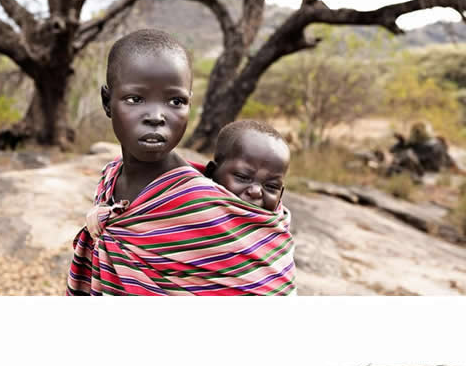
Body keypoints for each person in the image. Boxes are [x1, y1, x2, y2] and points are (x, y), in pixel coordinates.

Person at [66, 29, 296, 295]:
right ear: (107, 102)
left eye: (175, 101)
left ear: (189, 104)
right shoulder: (110, 178)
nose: (156, 116)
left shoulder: (202, 202)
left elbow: (267, 287)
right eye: (135, 99)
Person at [203, 119, 290, 212]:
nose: (256, 192)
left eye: (271, 186)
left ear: (280, 194)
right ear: (211, 172)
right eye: (242, 177)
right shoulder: (191, 205)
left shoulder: (277, 224)